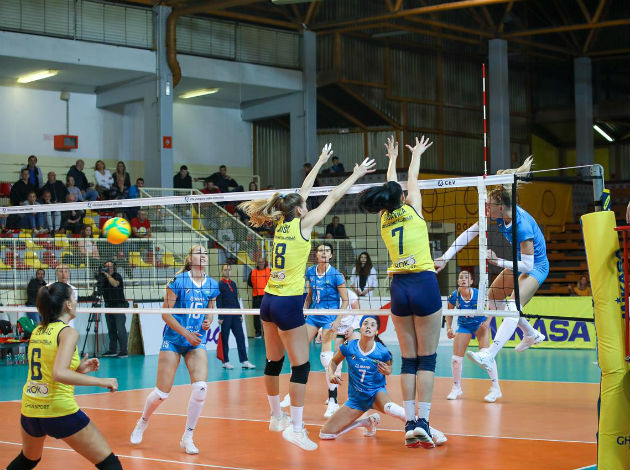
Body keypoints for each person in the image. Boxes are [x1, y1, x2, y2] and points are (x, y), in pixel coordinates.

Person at [238, 143, 375, 451]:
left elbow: (303, 191)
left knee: (273, 361)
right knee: (300, 367)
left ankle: (276, 417)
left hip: (268, 300)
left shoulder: (281, 224)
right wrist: (355, 175)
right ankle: (297, 429)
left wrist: (320, 162)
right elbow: (332, 196)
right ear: (301, 210)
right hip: (287, 302)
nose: (306, 205)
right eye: (304, 205)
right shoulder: (303, 223)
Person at [358, 135, 441, 448]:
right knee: (427, 359)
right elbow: (411, 179)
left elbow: (393, 187)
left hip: (399, 288)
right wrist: (415, 154)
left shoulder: (383, 219)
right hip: (423, 283)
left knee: (408, 360)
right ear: (402, 197)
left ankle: (408, 424)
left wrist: (392, 158)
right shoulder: (413, 209)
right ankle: (424, 423)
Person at [434, 156, 549, 371]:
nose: (485, 207)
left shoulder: (521, 225)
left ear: (501, 207)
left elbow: (527, 265)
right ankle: (531, 333)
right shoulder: (497, 215)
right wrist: (445, 257)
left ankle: (490, 354)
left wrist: (498, 261)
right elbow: (470, 233)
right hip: (518, 262)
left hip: (536, 266)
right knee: (493, 297)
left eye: (489, 205)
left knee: (513, 307)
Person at [3, 282, 122, 470]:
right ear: (67, 304)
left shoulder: (38, 330)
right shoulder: (67, 332)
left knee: (28, 460)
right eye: (74, 298)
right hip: (59, 411)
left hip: (31, 410)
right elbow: (59, 373)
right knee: (111, 464)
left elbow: (48, 369)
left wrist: (77, 369)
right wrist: (102, 381)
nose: (76, 302)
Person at [130, 245, 218, 454]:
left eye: (205, 252)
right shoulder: (178, 281)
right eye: (198, 252)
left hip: (196, 340)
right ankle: (143, 421)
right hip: (174, 339)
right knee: (162, 393)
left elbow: (211, 310)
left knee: (201, 388)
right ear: (189, 258)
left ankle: (188, 436)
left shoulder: (212, 284)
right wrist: (185, 333)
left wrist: (208, 321)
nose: (203, 255)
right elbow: (165, 313)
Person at [319, 316, 447, 447]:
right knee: (326, 434)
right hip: (356, 399)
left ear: (376, 332)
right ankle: (366, 422)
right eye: (365, 324)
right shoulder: (349, 347)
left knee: (395, 410)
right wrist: (331, 374)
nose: (368, 326)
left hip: (376, 394)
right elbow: (333, 362)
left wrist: (387, 371)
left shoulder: (382, 351)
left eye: (372, 325)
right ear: (360, 328)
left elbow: (389, 368)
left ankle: (432, 431)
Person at [303, 242, 349, 418]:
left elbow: (345, 300)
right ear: (316, 254)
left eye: (327, 251)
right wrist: (305, 310)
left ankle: (333, 400)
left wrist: (337, 320)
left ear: (331, 255)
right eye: (321, 250)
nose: (324, 253)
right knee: (299, 348)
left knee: (326, 356)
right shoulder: (310, 272)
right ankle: (292, 392)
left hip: (330, 317)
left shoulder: (336, 275)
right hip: (314, 315)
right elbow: (310, 295)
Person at [444, 270, 501, 403]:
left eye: (466, 277)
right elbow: (449, 312)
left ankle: (496, 387)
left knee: (487, 355)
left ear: (471, 281)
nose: (463, 279)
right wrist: (449, 328)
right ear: (458, 281)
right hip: (464, 325)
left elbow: (492, 307)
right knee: (456, 359)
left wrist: (487, 322)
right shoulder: (454, 296)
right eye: (461, 277)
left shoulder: (479, 294)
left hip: (480, 324)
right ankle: (456, 387)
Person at [217, 264, 255, 370]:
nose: (227, 272)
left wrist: (240, 314)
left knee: (240, 337)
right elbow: (219, 301)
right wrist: (220, 316)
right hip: (225, 315)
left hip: (235, 315)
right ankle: (225, 362)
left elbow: (236, 300)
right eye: (225, 270)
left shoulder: (233, 284)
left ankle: (244, 361)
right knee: (225, 339)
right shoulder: (219, 284)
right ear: (222, 271)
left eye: (229, 270)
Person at [97, 261, 128, 358]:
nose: (109, 268)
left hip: (119, 306)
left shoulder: (117, 276)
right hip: (108, 306)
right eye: (106, 267)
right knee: (111, 329)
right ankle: (112, 350)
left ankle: (124, 351)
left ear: (114, 268)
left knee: (120, 329)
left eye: (110, 267)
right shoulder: (103, 278)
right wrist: (100, 275)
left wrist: (107, 274)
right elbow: (99, 289)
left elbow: (115, 284)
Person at [248, 257, 270, 338]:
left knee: (268, 315)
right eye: (259, 262)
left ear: (264, 262)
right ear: (257, 263)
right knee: (256, 315)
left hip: (267, 296)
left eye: (262, 262)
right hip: (256, 297)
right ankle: (258, 333)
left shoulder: (269, 271)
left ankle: (268, 332)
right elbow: (249, 283)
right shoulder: (253, 272)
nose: (261, 263)